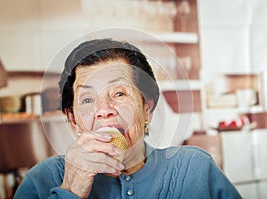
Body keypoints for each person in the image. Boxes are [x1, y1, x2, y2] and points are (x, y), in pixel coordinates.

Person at [14, 39, 242, 199]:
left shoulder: (194, 169)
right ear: (73, 121)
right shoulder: (42, 180)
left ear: (147, 108)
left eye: (119, 94)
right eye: (87, 99)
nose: (104, 110)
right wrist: (71, 189)